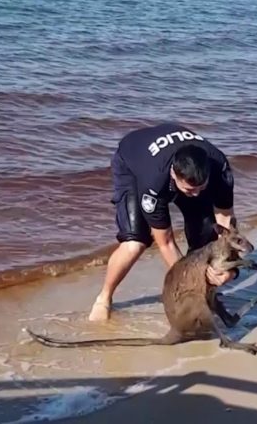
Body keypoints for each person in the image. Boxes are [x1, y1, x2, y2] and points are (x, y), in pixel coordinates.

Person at [88, 122, 240, 321]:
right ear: (173, 175)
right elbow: (166, 242)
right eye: (188, 190)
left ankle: (207, 290)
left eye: (200, 188)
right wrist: (190, 283)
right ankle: (104, 298)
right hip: (132, 165)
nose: (194, 195)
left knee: (206, 234)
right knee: (135, 242)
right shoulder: (154, 183)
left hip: (181, 160)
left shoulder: (220, 169)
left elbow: (226, 221)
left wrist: (230, 268)